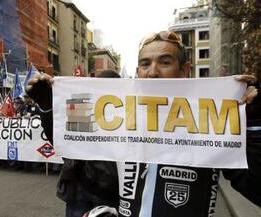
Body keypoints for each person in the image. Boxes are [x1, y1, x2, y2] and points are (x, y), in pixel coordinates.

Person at [25, 30, 260, 217]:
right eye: (145, 64)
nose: (153, 72)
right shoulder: (120, 116)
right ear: (138, 71)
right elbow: (73, 146)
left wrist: (255, 123)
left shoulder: (209, 120)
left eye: (165, 62)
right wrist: (47, 107)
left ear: (184, 71)